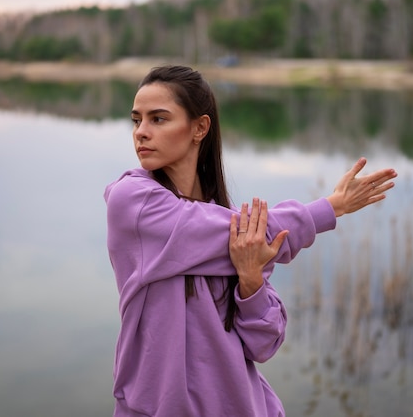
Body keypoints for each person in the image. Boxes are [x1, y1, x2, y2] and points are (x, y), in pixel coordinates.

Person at [104, 65, 397, 416]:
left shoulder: (229, 224)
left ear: (200, 128)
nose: (141, 133)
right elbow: (245, 230)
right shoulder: (133, 201)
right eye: (137, 120)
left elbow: (265, 344)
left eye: (158, 119)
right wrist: (331, 207)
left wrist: (250, 279)